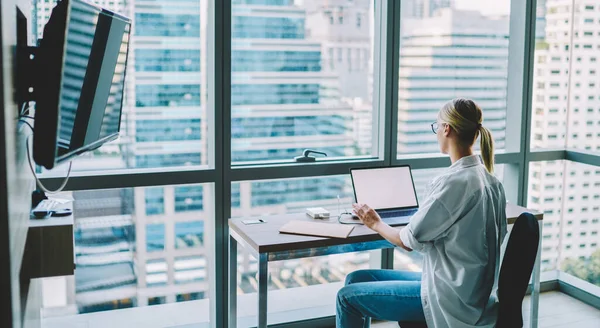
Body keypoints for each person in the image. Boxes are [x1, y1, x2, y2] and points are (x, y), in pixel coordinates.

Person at [336, 98, 508, 328]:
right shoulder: (489, 180)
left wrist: (375, 222)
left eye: (436, 126)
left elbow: (407, 240)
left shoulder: (454, 182)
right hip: (471, 289)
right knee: (356, 279)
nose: (436, 131)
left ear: (447, 128)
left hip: (451, 299)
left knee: (346, 298)